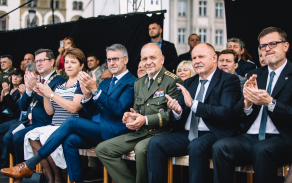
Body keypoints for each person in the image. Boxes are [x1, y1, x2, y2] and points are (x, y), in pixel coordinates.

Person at [1, 44, 136, 183]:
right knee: (69, 140)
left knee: (71, 122)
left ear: (125, 60)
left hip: (114, 131)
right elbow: (92, 112)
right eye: (108, 60)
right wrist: (87, 96)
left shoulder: (132, 82)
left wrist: (95, 91)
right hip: (98, 129)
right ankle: (76, 181)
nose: (111, 63)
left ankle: (29, 164)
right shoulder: (105, 83)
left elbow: (118, 109)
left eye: (115, 59)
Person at [147, 43, 241, 183]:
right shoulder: (190, 82)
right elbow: (179, 113)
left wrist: (194, 104)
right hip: (187, 133)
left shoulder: (228, 80)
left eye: (201, 57)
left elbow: (226, 112)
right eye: (194, 58)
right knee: (155, 142)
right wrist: (177, 111)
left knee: (196, 145)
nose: (196, 61)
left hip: (213, 132)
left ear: (214, 57)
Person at [212, 27, 292, 183]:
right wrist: (247, 103)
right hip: (251, 137)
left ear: (286, 46)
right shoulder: (256, 74)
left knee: (262, 149)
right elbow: (236, 114)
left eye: (273, 44)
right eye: (263, 46)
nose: (267, 49)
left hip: (281, 138)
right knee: (220, 146)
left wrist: (271, 103)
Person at [96, 43, 183, 183]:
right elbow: (137, 109)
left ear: (162, 59)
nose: (148, 62)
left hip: (162, 133)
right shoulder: (139, 82)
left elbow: (172, 116)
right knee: (103, 149)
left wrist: (145, 120)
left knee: (141, 148)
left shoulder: (172, 80)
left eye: (152, 58)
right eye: (144, 59)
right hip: (140, 132)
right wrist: (131, 117)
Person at [23, 48, 85, 183]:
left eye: (73, 62)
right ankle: (52, 176)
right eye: (66, 62)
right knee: (32, 136)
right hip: (55, 124)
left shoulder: (82, 84)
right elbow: (50, 111)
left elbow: (74, 108)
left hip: (71, 127)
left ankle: (58, 177)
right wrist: (45, 95)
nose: (68, 65)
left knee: (44, 136)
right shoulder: (61, 84)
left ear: (81, 65)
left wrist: (51, 94)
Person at [1, 49, 63, 172]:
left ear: (51, 62)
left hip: (45, 122)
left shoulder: (58, 80)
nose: (39, 63)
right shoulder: (38, 80)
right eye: (37, 61)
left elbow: (52, 106)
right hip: (30, 121)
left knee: (18, 137)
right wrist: (28, 90)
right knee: (8, 137)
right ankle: (24, 167)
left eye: (42, 60)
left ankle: (26, 169)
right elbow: (22, 107)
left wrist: (34, 88)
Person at [0, 64, 38, 170]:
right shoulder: (10, 89)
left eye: (19, 76)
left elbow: (16, 108)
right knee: (7, 135)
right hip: (12, 119)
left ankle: (14, 163)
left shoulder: (22, 89)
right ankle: (8, 158)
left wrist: (11, 94)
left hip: (19, 119)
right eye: (13, 76)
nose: (15, 78)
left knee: (13, 134)